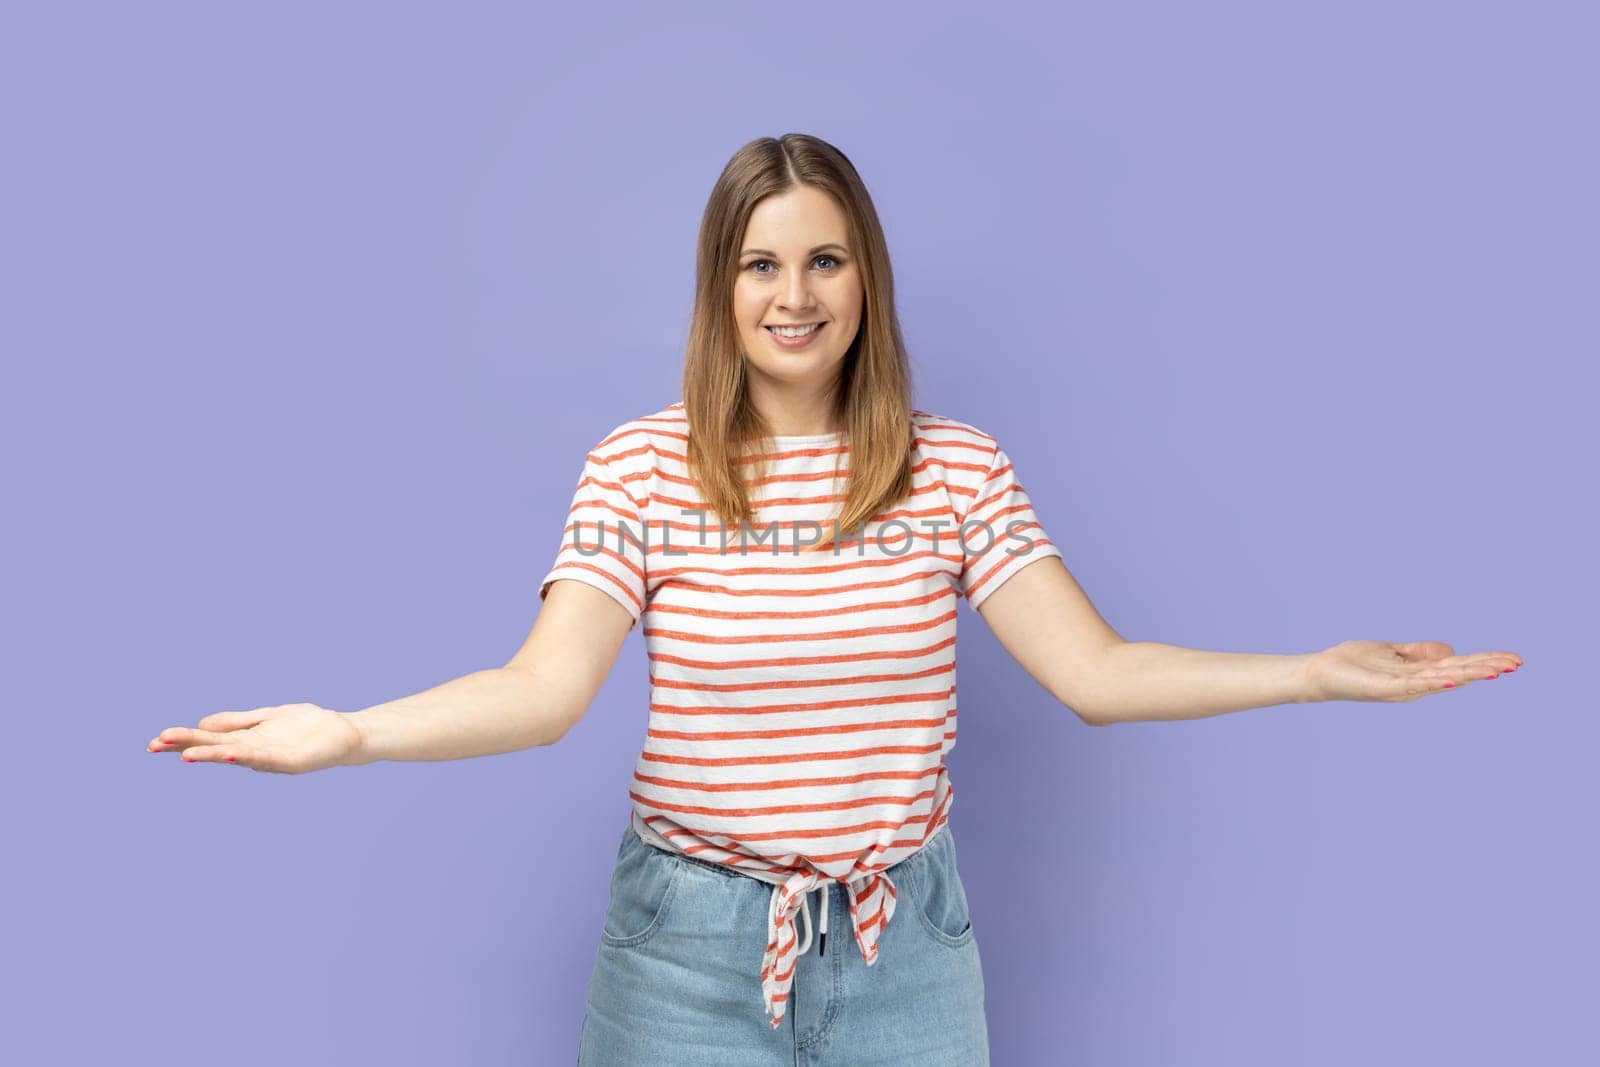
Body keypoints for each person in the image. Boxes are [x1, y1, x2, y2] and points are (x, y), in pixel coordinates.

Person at [146, 133, 1523, 1065]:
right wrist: (349, 730)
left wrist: (1312, 673)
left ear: (864, 276)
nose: (792, 295)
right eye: (760, 262)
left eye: (823, 259)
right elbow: (541, 691)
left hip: (901, 951)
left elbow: (1097, 676)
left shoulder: (954, 469)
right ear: (719, 283)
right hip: (684, 948)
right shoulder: (643, 466)